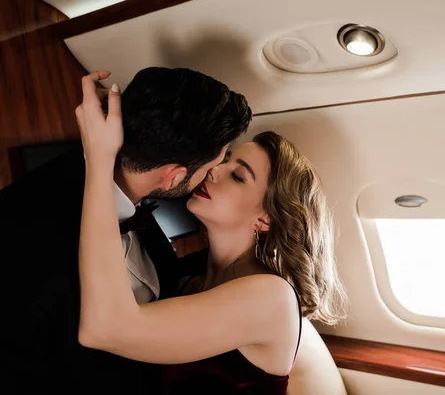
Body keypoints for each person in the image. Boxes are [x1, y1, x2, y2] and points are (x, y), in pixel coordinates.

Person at [76, 71, 347, 394]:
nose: (215, 169)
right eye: (226, 160)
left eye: (238, 176)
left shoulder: (270, 298)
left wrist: (100, 156)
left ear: (265, 220)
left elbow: (104, 329)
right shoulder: (190, 275)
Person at [0, 68, 251, 394]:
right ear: (173, 177)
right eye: (208, 168)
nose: (212, 175)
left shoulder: (134, 204)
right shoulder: (30, 244)